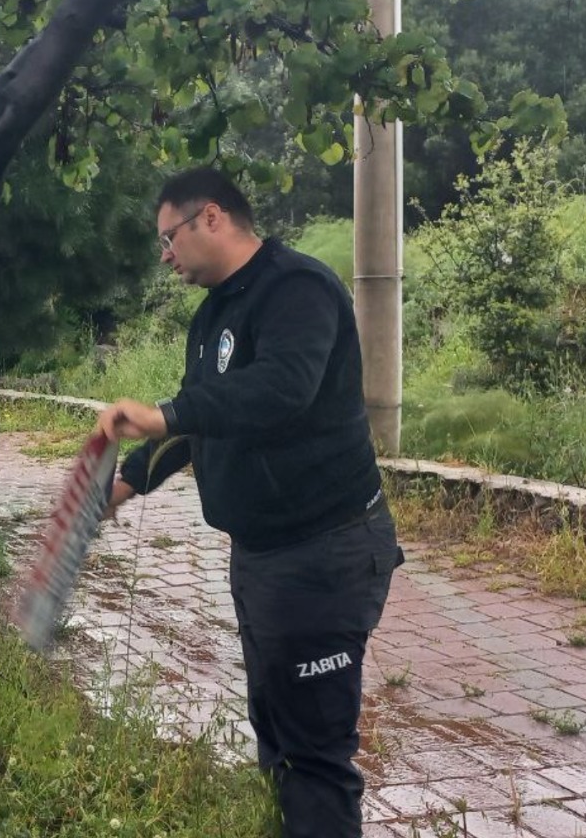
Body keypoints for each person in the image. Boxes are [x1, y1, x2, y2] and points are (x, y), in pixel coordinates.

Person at [96, 167, 404, 837]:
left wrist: (163, 411)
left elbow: (281, 389)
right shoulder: (211, 318)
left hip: (324, 554)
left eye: (169, 237)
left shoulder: (297, 289)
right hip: (263, 559)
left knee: (315, 753)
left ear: (210, 218)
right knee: (278, 730)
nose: (165, 256)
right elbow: (201, 421)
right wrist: (127, 482)